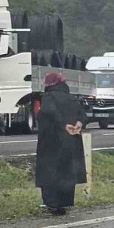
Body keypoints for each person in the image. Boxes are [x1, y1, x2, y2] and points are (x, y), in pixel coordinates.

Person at [35, 73, 87, 216]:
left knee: (50, 171)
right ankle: (65, 203)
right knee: (67, 171)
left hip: (52, 140)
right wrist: (78, 124)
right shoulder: (71, 97)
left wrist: (63, 125)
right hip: (71, 140)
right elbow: (82, 114)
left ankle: (52, 203)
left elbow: (49, 112)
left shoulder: (48, 97)